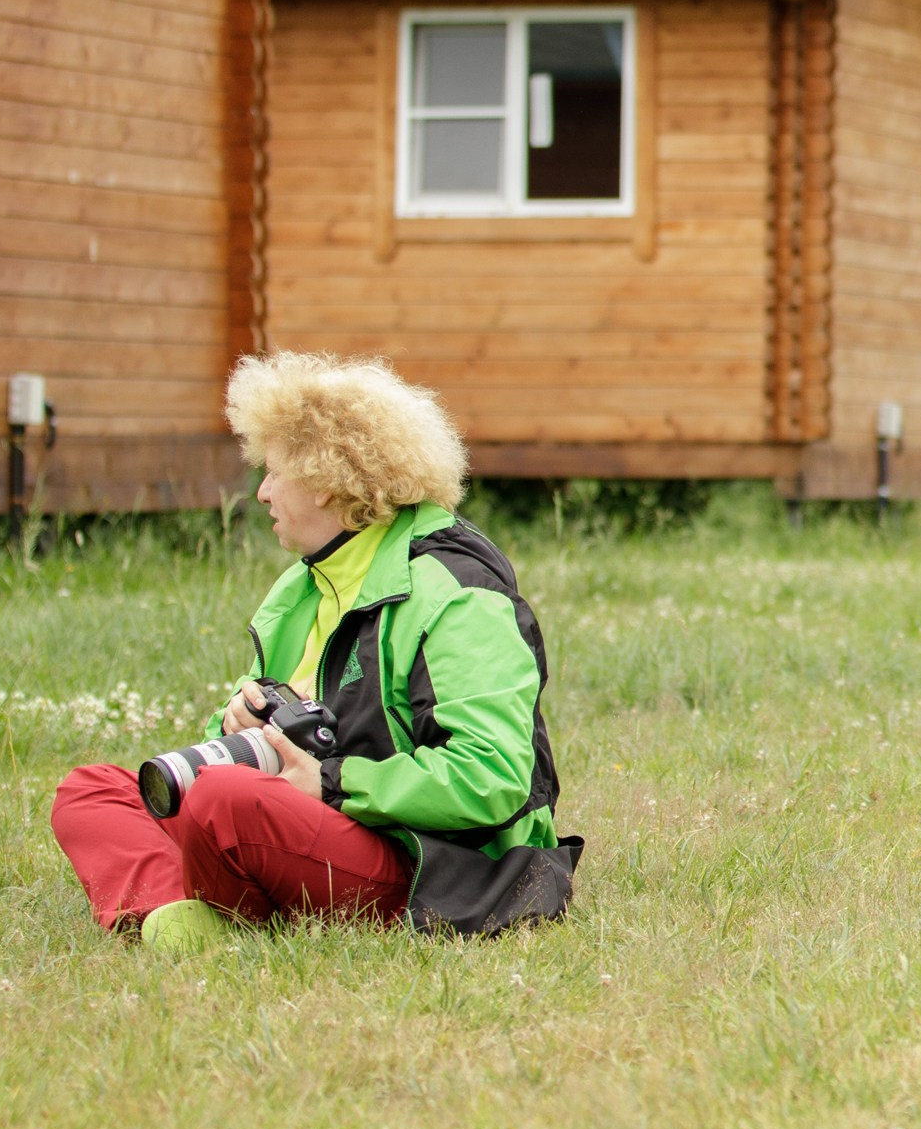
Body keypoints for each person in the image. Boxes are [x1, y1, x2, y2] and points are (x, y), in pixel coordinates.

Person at [50, 352, 579, 947]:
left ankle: (204, 904)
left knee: (225, 801)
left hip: (430, 860)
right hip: (308, 824)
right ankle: (173, 916)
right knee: (92, 789)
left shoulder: (457, 592)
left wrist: (332, 782)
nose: (262, 492)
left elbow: (495, 778)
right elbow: (247, 763)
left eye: (274, 472)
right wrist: (234, 722)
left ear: (329, 480)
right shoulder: (301, 588)